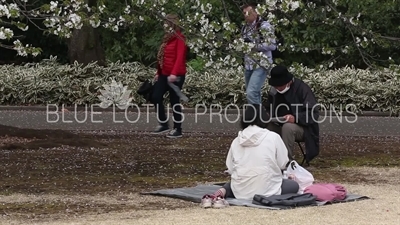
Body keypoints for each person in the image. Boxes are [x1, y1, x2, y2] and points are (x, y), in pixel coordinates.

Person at [200, 104, 299, 208]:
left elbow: (230, 168)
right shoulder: (273, 137)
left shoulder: (236, 140)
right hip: (268, 190)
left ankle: (220, 193)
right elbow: (283, 163)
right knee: (293, 185)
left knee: (232, 184)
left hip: (241, 192)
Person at [264, 65, 320, 164]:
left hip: (304, 128)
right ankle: (266, 160)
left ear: (289, 82)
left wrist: (296, 118)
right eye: (276, 86)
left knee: (288, 127)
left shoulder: (302, 89)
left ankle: (286, 162)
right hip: (279, 124)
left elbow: (314, 114)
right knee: (265, 126)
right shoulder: (274, 91)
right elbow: (268, 108)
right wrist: (267, 115)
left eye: (280, 86)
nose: (278, 88)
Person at [152, 14, 187, 138]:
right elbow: (161, 57)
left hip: (176, 75)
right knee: (155, 96)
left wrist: (174, 73)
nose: (164, 26)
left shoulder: (180, 39)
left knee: (174, 101)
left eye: (166, 23)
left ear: (171, 24)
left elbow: (179, 58)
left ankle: (178, 128)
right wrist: (158, 73)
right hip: (164, 74)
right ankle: (163, 123)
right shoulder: (166, 39)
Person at [240, 3, 277, 105]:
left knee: (251, 92)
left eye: (248, 12)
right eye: (244, 13)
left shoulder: (264, 26)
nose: (246, 15)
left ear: (256, 13)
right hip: (249, 64)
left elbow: (272, 45)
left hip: (261, 63)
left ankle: (258, 116)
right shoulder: (245, 28)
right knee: (253, 93)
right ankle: (258, 116)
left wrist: (253, 46)